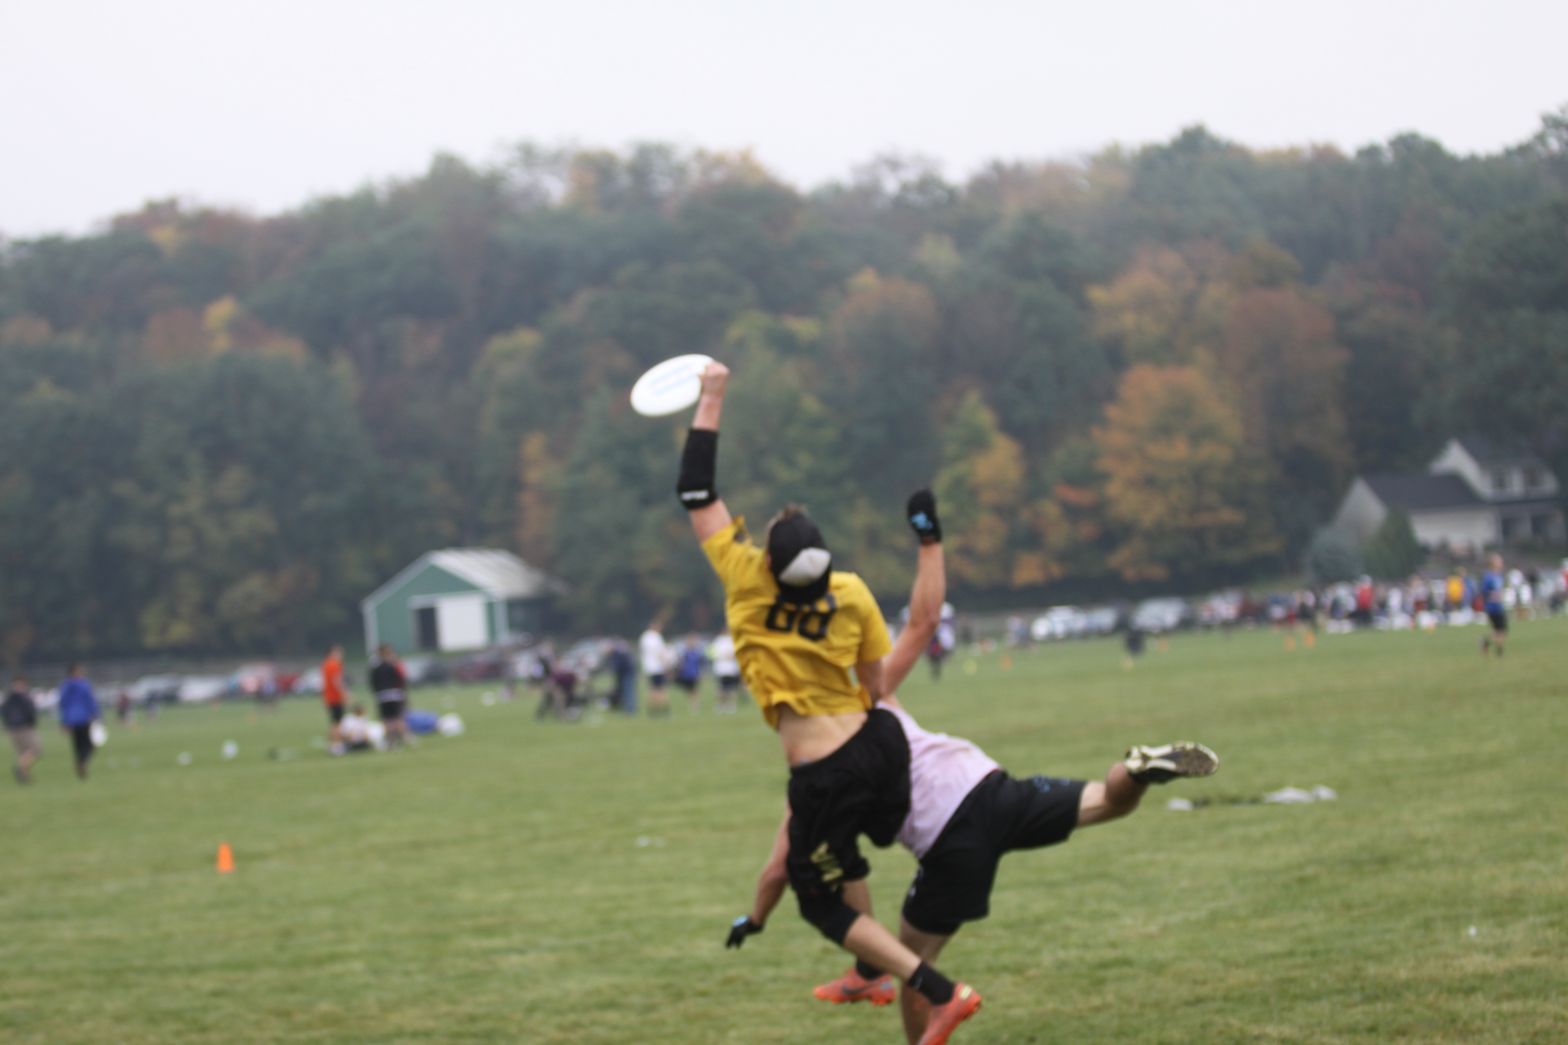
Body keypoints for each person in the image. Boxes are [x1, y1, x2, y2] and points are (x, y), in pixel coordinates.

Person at [730, 504, 1219, 1045]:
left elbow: (781, 866)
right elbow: (923, 621)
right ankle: (1138, 768)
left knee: (914, 970)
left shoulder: (830, 761)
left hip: (950, 840)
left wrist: (755, 918)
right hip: (991, 786)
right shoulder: (878, 695)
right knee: (1109, 799)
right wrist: (930, 542)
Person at [681, 359, 980, 1045]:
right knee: (835, 854)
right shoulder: (849, 589)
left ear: (769, 560)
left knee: (817, 895)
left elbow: (696, 489)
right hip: (880, 746)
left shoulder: (745, 574)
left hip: (824, 768)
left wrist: (712, 396)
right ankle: (870, 971)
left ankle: (939, 992)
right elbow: (877, 686)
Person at [56, 662, 100, 781]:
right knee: (90, 744)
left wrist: (63, 721)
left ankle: (79, 763)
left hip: (71, 719)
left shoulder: (65, 686)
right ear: (76, 672)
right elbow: (90, 701)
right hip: (83, 718)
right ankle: (82, 762)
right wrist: (96, 714)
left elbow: (62, 704)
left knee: (78, 744)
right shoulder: (84, 684)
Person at [367, 644, 410, 749]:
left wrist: (377, 693)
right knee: (398, 718)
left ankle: (391, 741)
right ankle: (406, 738)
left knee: (387, 720)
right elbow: (400, 680)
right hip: (394, 694)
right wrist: (402, 693)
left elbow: (373, 683)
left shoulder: (375, 668)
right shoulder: (392, 666)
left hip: (382, 696)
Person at [3, 675, 40, 784]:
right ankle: (20, 768)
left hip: (12, 728)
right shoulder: (24, 697)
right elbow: (30, 711)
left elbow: (4, 712)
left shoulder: (8, 698)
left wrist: (8, 725)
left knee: (22, 752)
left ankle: (24, 774)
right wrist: (32, 723)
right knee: (35, 749)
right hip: (24, 726)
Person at [638, 618, 671, 717]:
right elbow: (660, 652)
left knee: (652, 689)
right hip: (657, 667)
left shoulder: (644, 637)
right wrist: (666, 664)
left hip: (648, 667)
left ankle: (652, 710)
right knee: (661, 689)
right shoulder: (656, 637)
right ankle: (664, 710)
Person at [1480, 553, 1508, 657]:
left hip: (1499, 606)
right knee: (1501, 629)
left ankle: (1497, 649)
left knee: (1500, 630)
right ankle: (1496, 649)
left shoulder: (1498, 576)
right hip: (1493, 607)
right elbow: (1485, 592)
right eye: (1499, 561)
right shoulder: (1489, 577)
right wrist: (1492, 597)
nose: (1501, 563)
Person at [322, 645, 348, 755]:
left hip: (329, 697)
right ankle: (337, 746)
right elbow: (337, 680)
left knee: (334, 722)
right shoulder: (334, 664)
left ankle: (331, 745)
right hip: (335, 697)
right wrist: (345, 693)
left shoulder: (326, 664)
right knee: (338, 723)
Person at [708, 629, 742, 714]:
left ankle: (730, 705)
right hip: (721, 669)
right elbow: (711, 653)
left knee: (730, 688)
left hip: (730, 669)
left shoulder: (731, 640)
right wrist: (723, 655)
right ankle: (721, 705)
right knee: (722, 689)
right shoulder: (718, 641)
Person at [673, 634, 706, 713]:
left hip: (694, 674)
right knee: (689, 691)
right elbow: (680, 663)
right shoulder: (685, 652)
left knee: (694, 691)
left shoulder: (697, 653)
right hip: (685, 675)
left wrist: (700, 674)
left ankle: (695, 706)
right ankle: (692, 705)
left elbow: (701, 664)